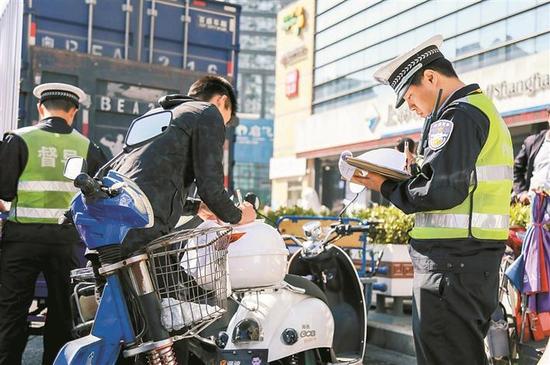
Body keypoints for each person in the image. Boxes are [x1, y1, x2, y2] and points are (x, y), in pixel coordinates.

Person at [352, 35, 514, 365]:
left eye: (409, 96)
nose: (410, 106)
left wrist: (385, 185)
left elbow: (440, 191)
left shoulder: (459, 116)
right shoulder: (473, 111)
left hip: (452, 266)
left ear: (430, 77)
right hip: (462, 264)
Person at [0, 82, 107, 365]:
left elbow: (3, 192)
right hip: (67, 243)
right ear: (73, 111)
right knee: (62, 314)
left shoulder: (18, 139)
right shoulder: (87, 147)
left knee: (10, 312)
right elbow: (100, 197)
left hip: (21, 240)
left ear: (40, 108)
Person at [112, 75, 256, 256]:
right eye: (225, 122)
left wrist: (196, 207)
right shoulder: (207, 112)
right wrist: (239, 216)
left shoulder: (158, 115)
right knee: (168, 283)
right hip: (144, 225)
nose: (222, 127)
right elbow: (211, 189)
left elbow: (149, 178)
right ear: (222, 100)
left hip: (112, 217)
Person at [512, 107, 550, 204]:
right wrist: (521, 193)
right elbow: (516, 169)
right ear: (548, 117)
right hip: (535, 206)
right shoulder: (532, 142)